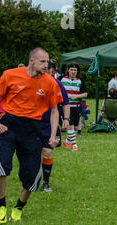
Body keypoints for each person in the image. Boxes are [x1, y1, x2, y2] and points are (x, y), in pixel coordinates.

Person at [0, 48, 62, 223]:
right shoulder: (10, 75)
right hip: (8, 125)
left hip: (32, 128)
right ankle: (1, 205)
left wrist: (53, 135)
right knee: (1, 166)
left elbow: (54, 110)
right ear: (32, 60)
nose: (46, 65)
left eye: (47, 62)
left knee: (31, 176)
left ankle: (18, 208)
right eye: (42, 62)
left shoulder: (50, 83)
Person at [41, 61, 71, 192]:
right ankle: (32, 180)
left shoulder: (57, 84)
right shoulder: (32, 82)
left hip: (49, 124)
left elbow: (65, 103)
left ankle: (46, 182)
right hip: (32, 123)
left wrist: (66, 119)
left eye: (48, 69)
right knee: (32, 153)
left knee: (47, 151)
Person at [61, 62, 88, 151]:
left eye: (75, 70)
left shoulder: (80, 80)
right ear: (68, 70)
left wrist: (77, 96)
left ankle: (67, 142)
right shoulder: (62, 79)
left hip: (76, 106)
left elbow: (85, 94)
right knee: (70, 125)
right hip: (66, 107)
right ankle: (75, 146)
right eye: (71, 70)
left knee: (75, 127)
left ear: (77, 71)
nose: (73, 72)